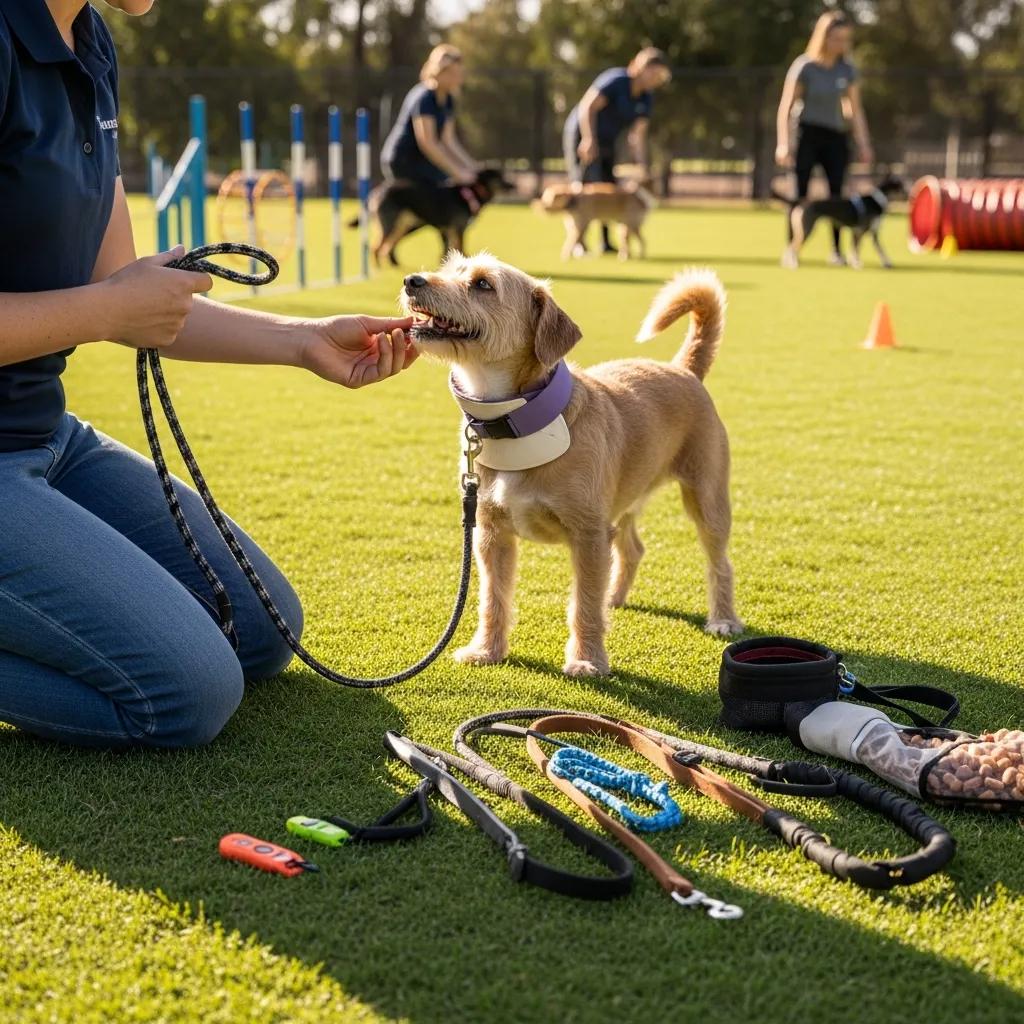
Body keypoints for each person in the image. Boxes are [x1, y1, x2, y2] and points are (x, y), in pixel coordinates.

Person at [0, 0, 418, 750]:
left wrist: (304, 340)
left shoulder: (89, 44)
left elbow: (121, 289)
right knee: (187, 693)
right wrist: (105, 311)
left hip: (43, 434)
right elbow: (111, 306)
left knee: (261, 630)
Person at [775, 11, 874, 265]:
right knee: (800, 193)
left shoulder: (847, 70)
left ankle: (837, 251)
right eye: (835, 38)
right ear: (823, 37)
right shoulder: (805, 66)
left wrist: (864, 143)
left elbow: (855, 110)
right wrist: (783, 142)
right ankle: (792, 250)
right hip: (807, 133)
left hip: (836, 137)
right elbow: (786, 106)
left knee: (837, 195)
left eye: (844, 39)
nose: (840, 44)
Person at [563, 47, 671, 254]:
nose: (656, 78)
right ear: (641, 67)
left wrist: (642, 165)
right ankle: (578, 243)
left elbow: (637, 136)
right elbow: (588, 107)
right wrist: (588, 138)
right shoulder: (616, 80)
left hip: (607, 139)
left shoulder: (646, 98)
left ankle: (605, 242)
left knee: (607, 187)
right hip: (581, 131)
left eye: (660, 75)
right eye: (654, 72)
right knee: (584, 188)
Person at [380, 44, 478, 186]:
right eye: (453, 74)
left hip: (422, 161)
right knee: (442, 192)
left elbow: (449, 140)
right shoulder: (425, 97)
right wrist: (458, 173)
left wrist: (472, 167)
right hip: (404, 161)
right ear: (439, 72)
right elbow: (427, 143)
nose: (458, 78)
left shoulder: (448, 99)